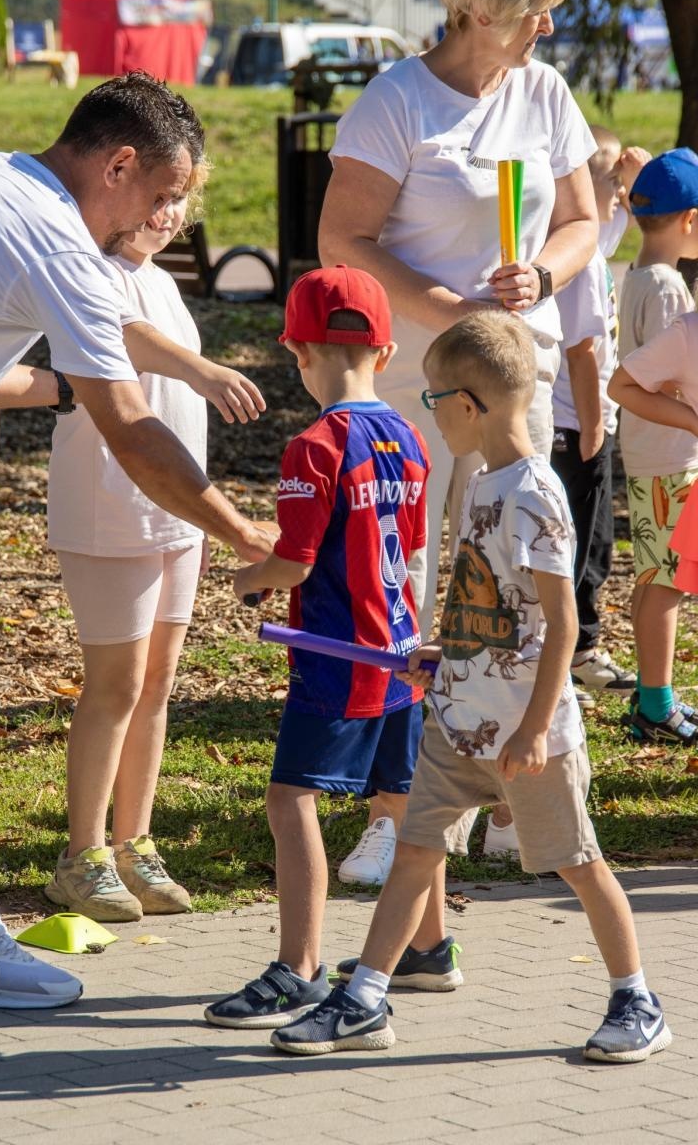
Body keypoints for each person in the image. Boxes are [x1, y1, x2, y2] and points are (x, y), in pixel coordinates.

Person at [0, 73, 273, 1009]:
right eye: (159, 196)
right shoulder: (58, 240)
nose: (162, 219)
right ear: (116, 165)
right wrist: (239, 530)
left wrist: (64, 388)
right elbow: (135, 431)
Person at [270, 310, 671, 1064]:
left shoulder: (535, 495)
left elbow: (559, 627)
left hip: (530, 737)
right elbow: (490, 604)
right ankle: (364, 1000)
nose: (428, 413)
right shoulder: (486, 484)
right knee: (416, 851)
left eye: (430, 399)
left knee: (579, 862)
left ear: (467, 405)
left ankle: (636, 998)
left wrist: (532, 729)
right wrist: (444, 652)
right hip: (459, 721)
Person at [320, 0, 598, 646]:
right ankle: (399, 715)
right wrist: (456, 315)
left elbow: (581, 223)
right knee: (404, 561)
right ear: (480, 12)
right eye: (536, 12)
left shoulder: (544, 93)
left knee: (511, 547)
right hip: (414, 378)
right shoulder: (398, 99)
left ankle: (504, 707)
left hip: (514, 374)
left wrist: (542, 276)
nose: (548, 27)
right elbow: (343, 242)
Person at [203, 266, 448, 1030]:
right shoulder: (409, 435)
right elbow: (409, 553)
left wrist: (250, 579)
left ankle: (299, 967)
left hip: (341, 659)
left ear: (296, 350)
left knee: (290, 797)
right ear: (386, 348)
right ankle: (428, 949)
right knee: (407, 803)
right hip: (405, 651)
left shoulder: (313, 446)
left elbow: (296, 562)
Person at [44, 161, 212, 921]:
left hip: (177, 515)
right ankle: (81, 857)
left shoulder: (168, 283)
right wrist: (206, 370)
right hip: (109, 509)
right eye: (157, 197)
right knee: (113, 685)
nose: (167, 214)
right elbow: (123, 338)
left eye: (179, 201)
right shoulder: (89, 269)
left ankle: (134, 843)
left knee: (157, 684)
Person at [549, 131, 649, 710]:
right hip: (574, 423)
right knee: (571, 548)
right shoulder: (579, 261)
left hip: (587, 420)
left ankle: (580, 652)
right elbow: (582, 352)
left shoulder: (591, 241)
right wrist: (592, 428)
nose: (617, 194)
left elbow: (627, 224)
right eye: (607, 181)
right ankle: (558, 666)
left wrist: (630, 182)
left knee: (596, 547)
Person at [610, 149, 698, 745]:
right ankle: (657, 705)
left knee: (652, 576)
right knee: (666, 581)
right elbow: (658, 374)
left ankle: (652, 696)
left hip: (649, 453)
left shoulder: (639, 273)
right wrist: (689, 416)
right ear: (689, 220)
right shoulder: (669, 288)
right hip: (669, 455)